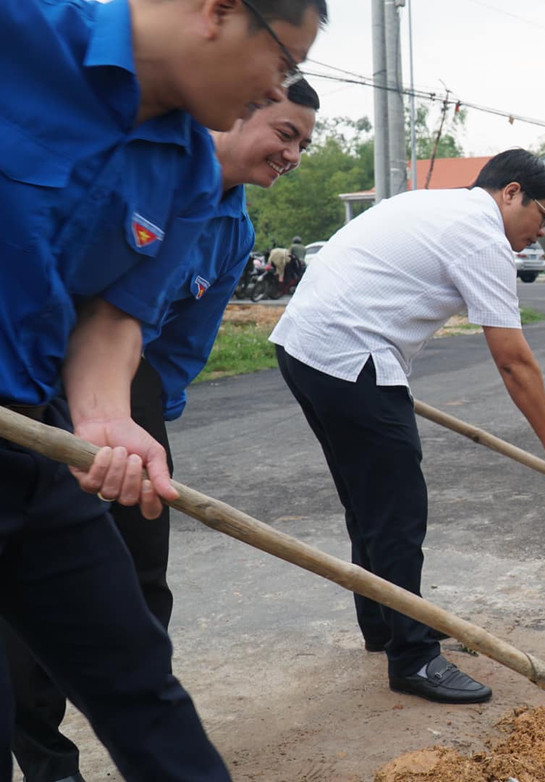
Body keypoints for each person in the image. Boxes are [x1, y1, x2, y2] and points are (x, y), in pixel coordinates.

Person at [0, 1, 325, 779]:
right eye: (282, 63)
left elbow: (112, 319)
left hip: (30, 438)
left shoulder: (183, 171)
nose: (278, 87)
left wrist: (105, 419)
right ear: (217, 11)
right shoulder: (19, 33)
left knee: (140, 681)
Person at [269, 149, 545, 705]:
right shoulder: (482, 234)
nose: (540, 232)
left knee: (368, 505)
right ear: (511, 193)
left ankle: (387, 626)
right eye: (544, 214)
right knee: (397, 510)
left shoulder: (435, 204)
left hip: (305, 347)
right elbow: (512, 359)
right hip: (350, 356)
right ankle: (413, 657)